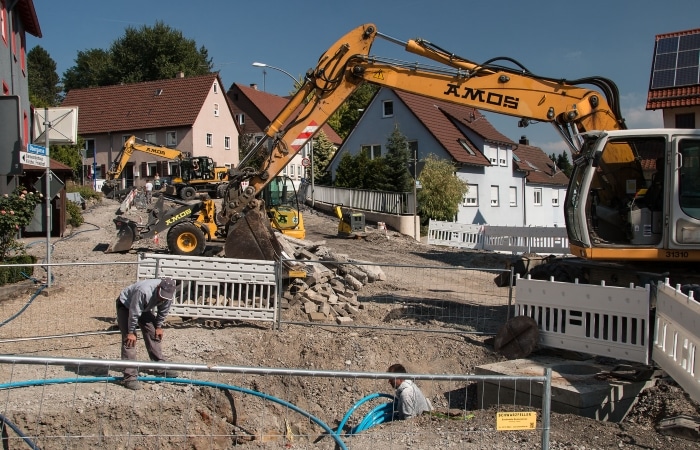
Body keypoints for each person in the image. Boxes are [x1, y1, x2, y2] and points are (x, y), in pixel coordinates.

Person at [116, 278, 177, 390]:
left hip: (143, 308)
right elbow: (134, 312)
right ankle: (130, 377)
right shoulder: (144, 291)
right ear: (159, 287)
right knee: (129, 340)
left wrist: (158, 326)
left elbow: (163, 311)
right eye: (160, 295)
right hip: (126, 305)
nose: (162, 298)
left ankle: (160, 367)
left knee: (153, 332)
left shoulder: (168, 294)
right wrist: (130, 332)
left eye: (164, 297)